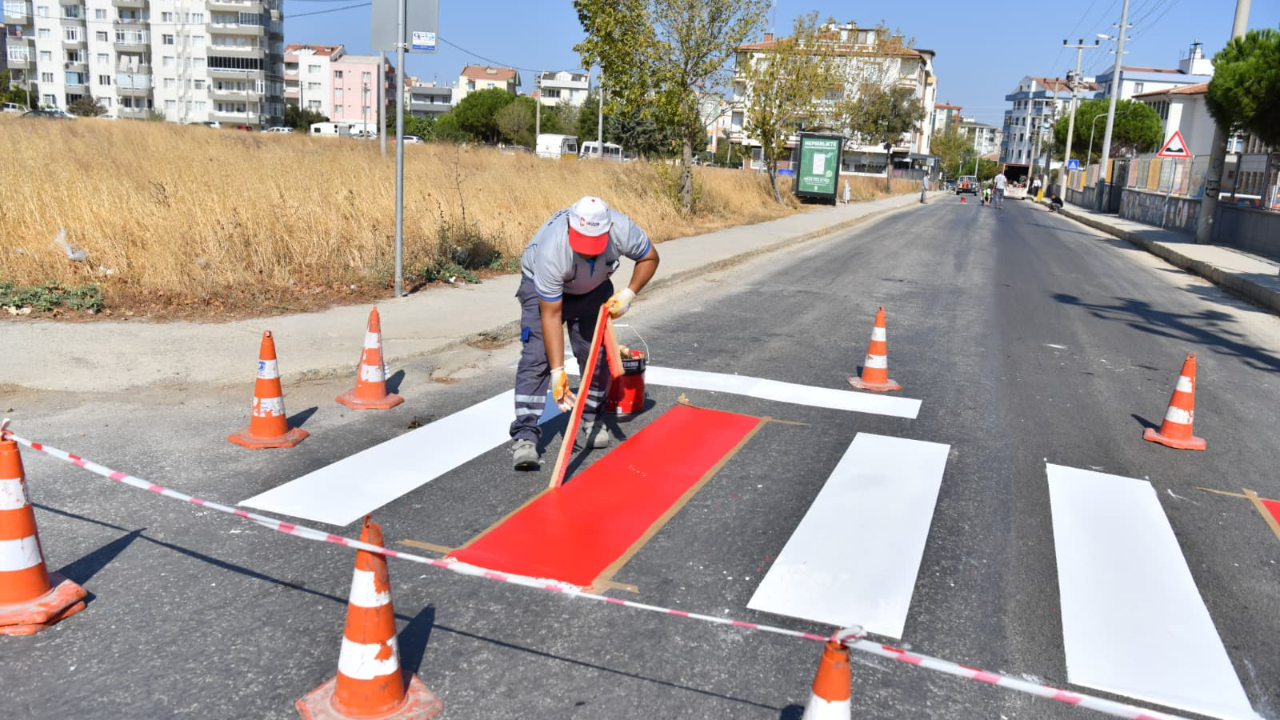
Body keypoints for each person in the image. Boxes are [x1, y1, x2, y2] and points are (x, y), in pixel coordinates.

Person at [510, 196, 660, 470]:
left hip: (594, 288)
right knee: (536, 357)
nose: (588, 251)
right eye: (583, 244)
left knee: (596, 355)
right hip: (541, 288)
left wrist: (629, 293)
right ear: (570, 227)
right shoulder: (552, 249)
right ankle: (525, 436)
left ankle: (592, 418)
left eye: (594, 244)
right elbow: (552, 314)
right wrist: (558, 371)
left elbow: (649, 257)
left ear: (608, 229)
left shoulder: (622, 228)